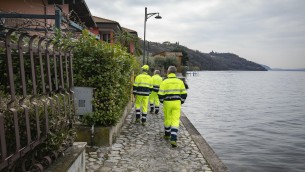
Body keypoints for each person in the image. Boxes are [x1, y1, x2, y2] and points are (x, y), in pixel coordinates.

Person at [158, 66, 187, 147]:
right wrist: (181, 101)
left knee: (167, 118)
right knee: (175, 120)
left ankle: (167, 134)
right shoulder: (180, 82)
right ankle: (173, 138)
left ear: (168, 72)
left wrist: (162, 101)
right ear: (175, 72)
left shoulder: (164, 82)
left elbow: (160, 94)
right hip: (177, 102)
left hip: (167, 102)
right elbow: (184, 94)